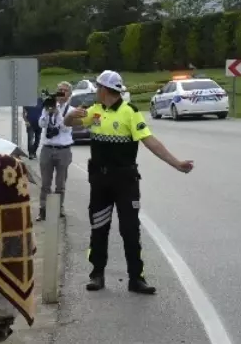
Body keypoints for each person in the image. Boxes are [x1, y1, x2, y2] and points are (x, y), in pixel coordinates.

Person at [65, 70, 194, 294]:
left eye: (98, 88)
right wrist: (70, 115)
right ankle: (97, 274)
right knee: (99, 227)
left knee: (130, 230)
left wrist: (176, 163)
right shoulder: (94, 111)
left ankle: (136, 278)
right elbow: (68, 123)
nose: (96, 91)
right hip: (100, 181)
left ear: (105, 90)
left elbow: (150, 142)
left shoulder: (130, 112)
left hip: (125, 181)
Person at [37, 82, 74, 221]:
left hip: (63, 149)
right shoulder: (49, 105)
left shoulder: (71, 110)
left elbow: (65, 128)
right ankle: (43, 209)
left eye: (65, 91)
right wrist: (48, 112)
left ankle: (59, 208)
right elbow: (41, 124)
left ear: (69, 94)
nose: (61, 93)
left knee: (61, 183)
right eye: (59, 90)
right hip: (47, 148)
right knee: (45, 183)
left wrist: (58, 114)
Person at [23, 92, 44, 158]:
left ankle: (34, 151)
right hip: (30, 123)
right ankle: (30, 153)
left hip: (39, 123)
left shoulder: (41, 100)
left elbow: (45, 111)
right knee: (30, 139)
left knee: (38, 139)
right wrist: (26, 121)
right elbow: (23, 113)